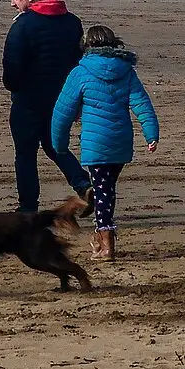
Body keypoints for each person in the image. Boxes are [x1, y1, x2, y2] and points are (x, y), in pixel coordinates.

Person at [52, 24, 158, 261]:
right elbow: (142, 105)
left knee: (103, 191)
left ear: (87, 46)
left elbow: (63, 111)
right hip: (120, 141)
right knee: (106, 190)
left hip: (96, 143)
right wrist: (151, 134)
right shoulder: (126, 71)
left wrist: (58, 144)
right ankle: (101, 238)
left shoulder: (80, 72)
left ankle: (105, 241)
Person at [2, 0, 92, 213]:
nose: (13, 3)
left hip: (28, 100)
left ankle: (28, 207)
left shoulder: (22, 25)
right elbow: (77, 60)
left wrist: (13, 86)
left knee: (25, 153)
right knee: (55, 146)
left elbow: (12, 64)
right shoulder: (72, 21)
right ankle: (83, 184)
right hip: (61, 98)